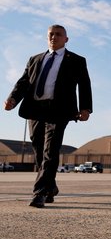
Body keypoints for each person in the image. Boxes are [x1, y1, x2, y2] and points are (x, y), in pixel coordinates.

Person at [4, 24, 92, 208]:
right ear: (47, 37)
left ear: (66, 39)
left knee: (50, 150)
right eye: (51, 34)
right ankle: (50, 187)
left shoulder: (76, 60)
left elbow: (84, 84)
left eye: (58, 35)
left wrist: (85, 108)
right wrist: (12, 99)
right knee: (37, 148)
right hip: (35, 108)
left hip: (59, 109)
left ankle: (40, 192)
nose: (54, 37)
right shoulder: (35, 59)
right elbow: (24, 82)